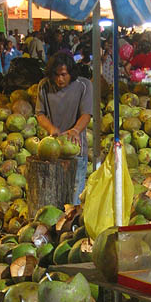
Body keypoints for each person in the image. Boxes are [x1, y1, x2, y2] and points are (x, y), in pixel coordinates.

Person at [36, 52, 92, 204]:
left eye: (63, 74)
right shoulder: (44, 85)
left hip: (76, 151)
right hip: (53, 152)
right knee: (53, 197)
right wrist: (51, 128)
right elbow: (40, 114)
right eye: (56, 75)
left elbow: (86, 114)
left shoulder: (84, 85)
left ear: (71, 73)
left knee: (74, 198)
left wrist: (75, 130)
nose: (59, 79)